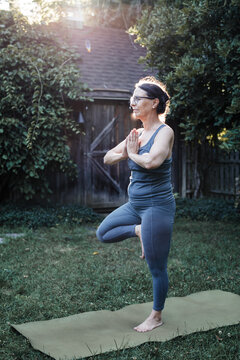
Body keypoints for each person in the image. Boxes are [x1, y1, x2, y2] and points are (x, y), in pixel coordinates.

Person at [96, 76, 175, 333]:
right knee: (103, 233)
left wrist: (132, 154)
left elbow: (152, 162)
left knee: (156, 265)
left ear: (153, 103)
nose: (132, 102)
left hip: (157, 206)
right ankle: (138, 230)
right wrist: (128, 151)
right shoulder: (137, 134)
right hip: (135, 205)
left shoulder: (166, 133)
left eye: (137, 98)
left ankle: (156, 315)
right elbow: (107, 157)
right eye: (132, 98)